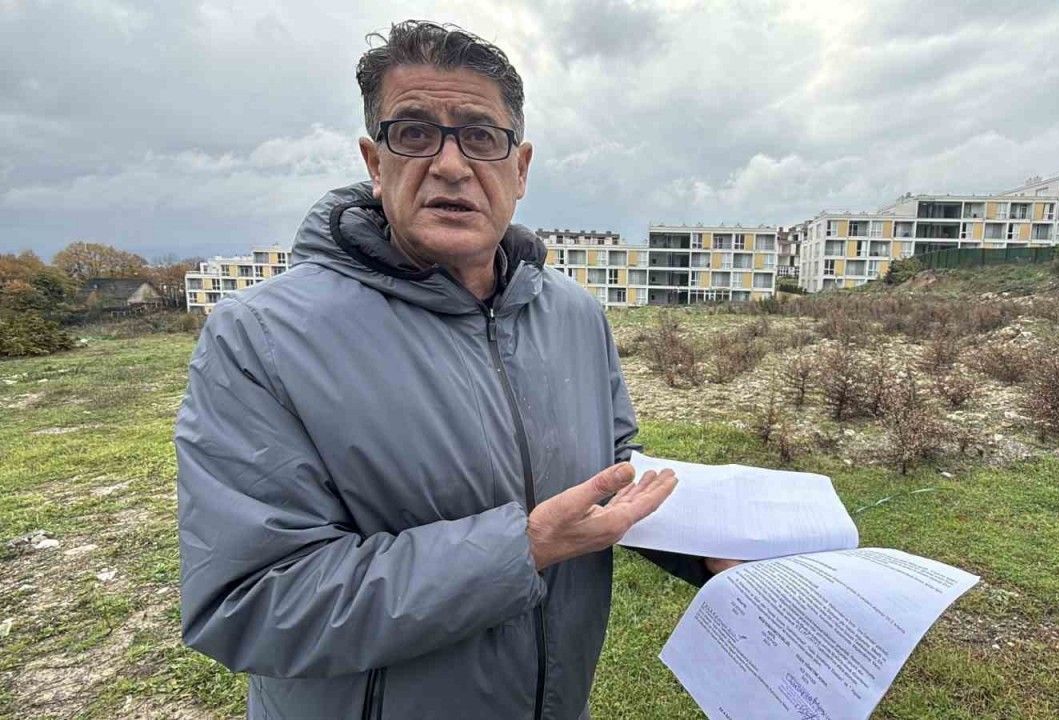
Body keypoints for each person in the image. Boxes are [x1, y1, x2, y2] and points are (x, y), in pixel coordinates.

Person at [174, 19, 732, 720]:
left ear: (519, 168)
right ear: (374, 163)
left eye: (479, 135)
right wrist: (521, 548)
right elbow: (251, 600)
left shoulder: (574, 314)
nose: (449, 165)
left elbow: (614, 471)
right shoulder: (261, 337)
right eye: (413, 133)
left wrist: (710, 553)